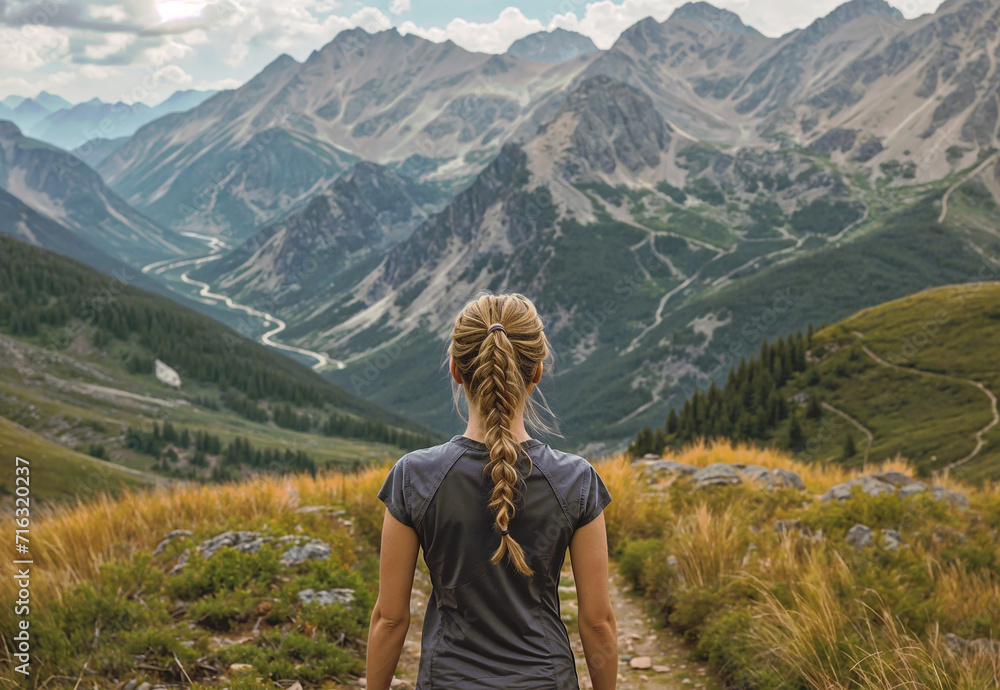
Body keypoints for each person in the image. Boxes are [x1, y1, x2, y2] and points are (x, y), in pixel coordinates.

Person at [366, 291, 617, 689]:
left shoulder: (413, 476)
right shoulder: (576, 480)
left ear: (455, 369)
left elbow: (391, 618)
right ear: (536, 371)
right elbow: (598, 623)